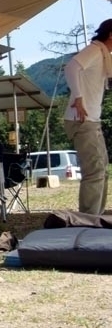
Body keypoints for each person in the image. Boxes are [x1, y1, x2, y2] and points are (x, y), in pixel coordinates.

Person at [63, 18, 112, 215]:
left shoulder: (103, 55)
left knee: (101, 170)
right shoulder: (94, 50)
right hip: (83, 120)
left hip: (91, 119)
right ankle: (89, 220)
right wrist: (78, 97)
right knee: (94, 172)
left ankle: (95, 217)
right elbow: (70, 68)